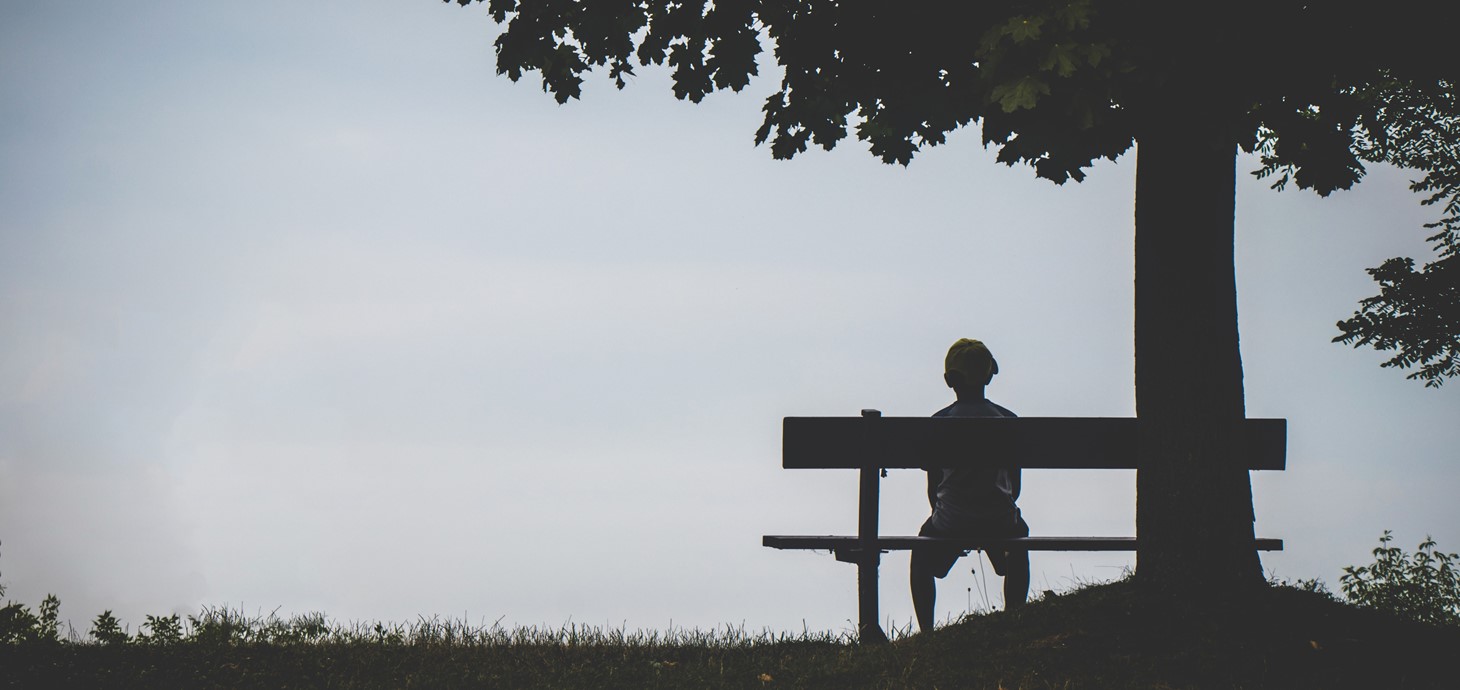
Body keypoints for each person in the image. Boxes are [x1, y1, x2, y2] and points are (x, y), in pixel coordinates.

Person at [911, 338, 1031, 632]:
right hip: (999, 520)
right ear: (989, 376)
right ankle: (1014, 620)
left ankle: (927, 632)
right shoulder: (1007, 421)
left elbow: (933, 489)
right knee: (1019, 537)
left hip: (952, 520)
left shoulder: (939, 423)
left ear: (949, 380)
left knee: (921, 555)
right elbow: (1015, 488)